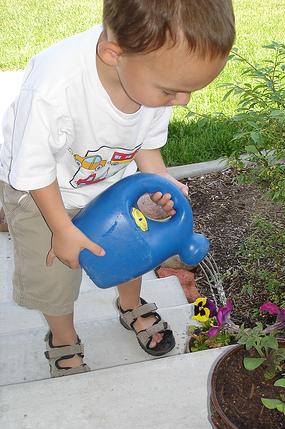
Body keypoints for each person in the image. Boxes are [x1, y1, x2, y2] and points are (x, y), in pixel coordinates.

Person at [0, 0, 235, 377]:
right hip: (43, 189)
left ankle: (131, 305)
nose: (183, 100)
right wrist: (62, 229)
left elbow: (146, 143)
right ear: (114, 55)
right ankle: (62, 338)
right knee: (56, 271)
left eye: (188, 91)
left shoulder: (153, 73)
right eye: (173, 92)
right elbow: (34, 168)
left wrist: (160, 182)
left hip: (113, 180)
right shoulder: (54, 88)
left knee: (132, 245)